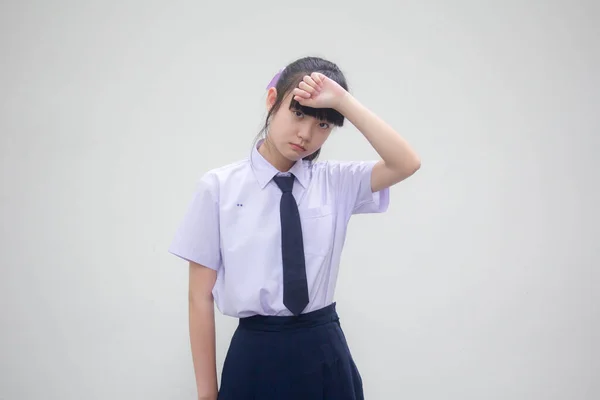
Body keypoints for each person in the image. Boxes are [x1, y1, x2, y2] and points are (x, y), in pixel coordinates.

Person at [168, 56, 421, 400]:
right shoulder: (219, 188)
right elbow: (199, 297)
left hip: (324, 352)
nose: (306, 134)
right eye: (299, 113)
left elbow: (406, 162)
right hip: (256, 355)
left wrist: (342, 102)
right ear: (273, 101)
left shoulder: (335, 182)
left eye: (323, 124)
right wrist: (206, 395)